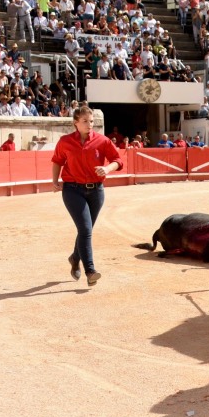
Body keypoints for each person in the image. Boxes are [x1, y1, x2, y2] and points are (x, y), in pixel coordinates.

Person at [51, 106, 123, 287]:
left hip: (96, 191)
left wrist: (107, 168)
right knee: (85, 230)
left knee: (86, 230)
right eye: (85, 121)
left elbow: (118, 160)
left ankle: (75, 259)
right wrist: (54, 180)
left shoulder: (102, 141)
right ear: (76, 123)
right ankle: (90, 271)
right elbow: (58, 160)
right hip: (72, 190)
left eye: (91, 121)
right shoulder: (65, 141)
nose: (89, 124)